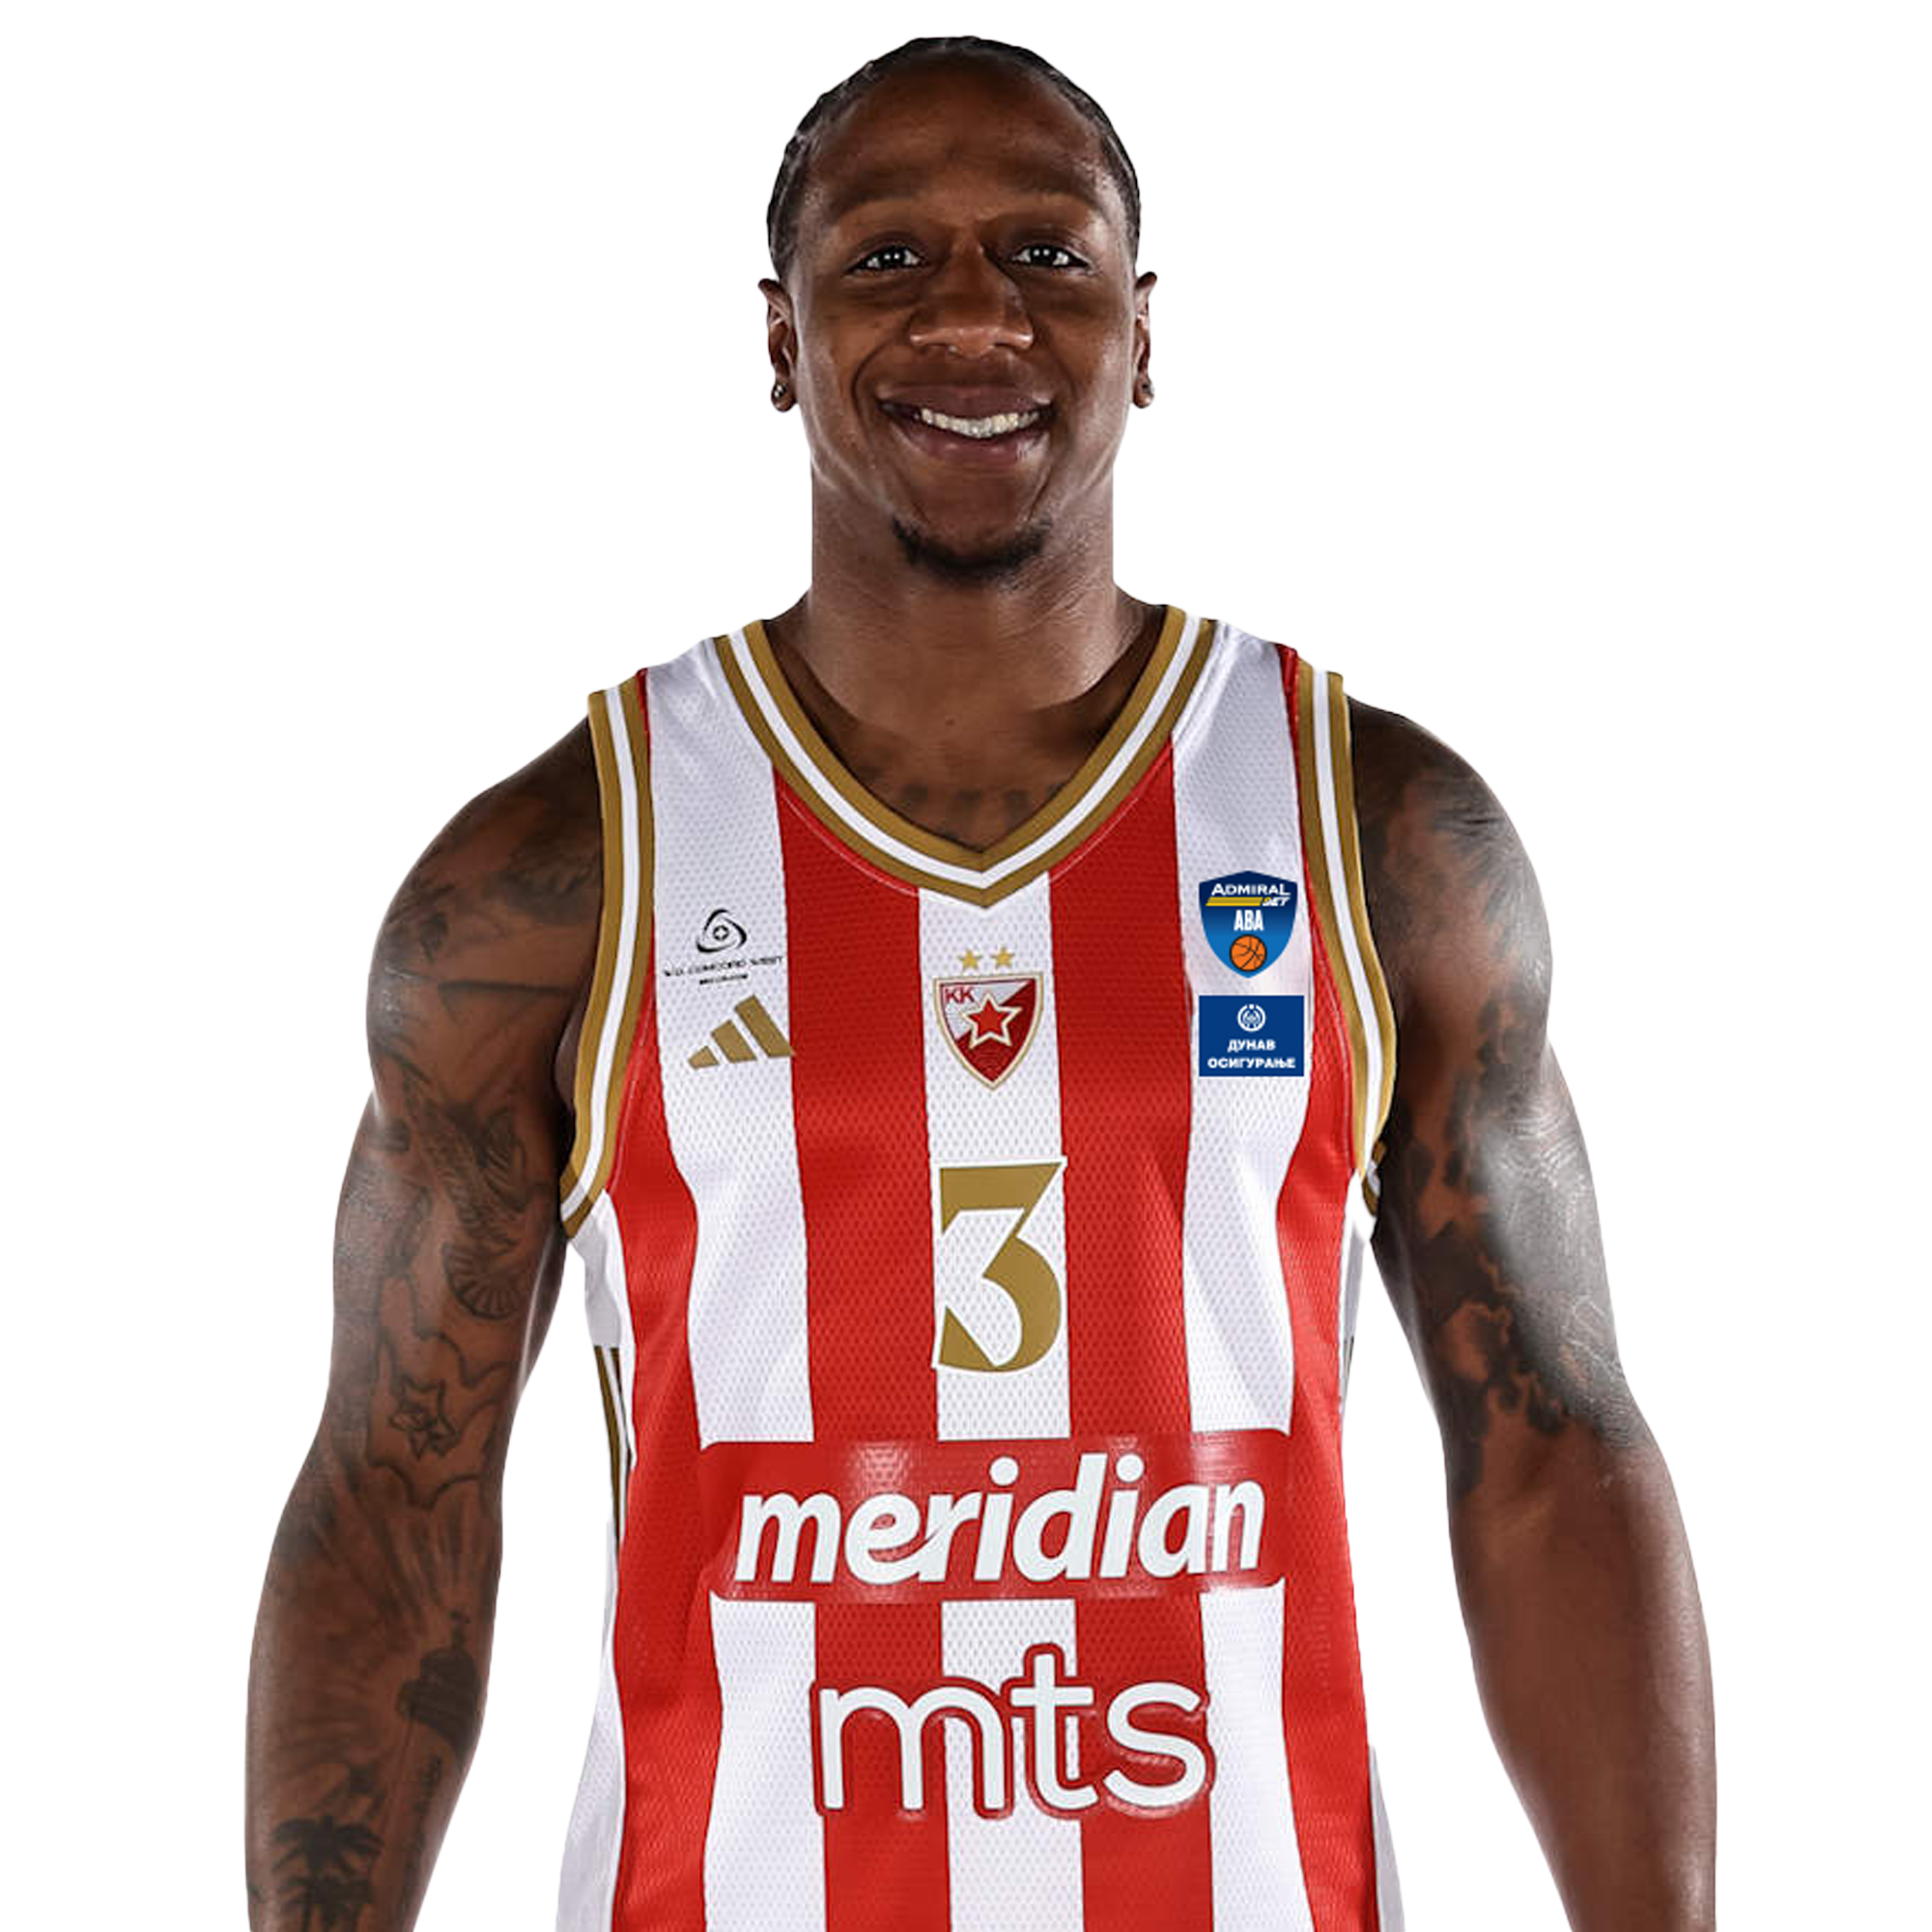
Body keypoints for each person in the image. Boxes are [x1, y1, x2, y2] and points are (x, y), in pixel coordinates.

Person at [245, 36, 1715, 1932]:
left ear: (1140, 331)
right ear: (780, 341)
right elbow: (397, 1494)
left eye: (1045, 253)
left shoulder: (1373, 831)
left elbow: (1548, 1452)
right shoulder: (558, 872)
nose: (968, 313)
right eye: (885, 257)